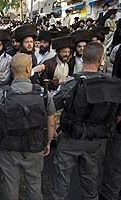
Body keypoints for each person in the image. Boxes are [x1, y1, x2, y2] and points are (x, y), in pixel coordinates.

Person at [52, 42, 121, 200]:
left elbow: (53, 104)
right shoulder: (110, 84)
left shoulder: (73, 83)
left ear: (82, 58)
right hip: (96, 140)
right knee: (90, 181)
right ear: (101, 59)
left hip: (71, 139)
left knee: (61, 183)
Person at [0, 53, 56, 200]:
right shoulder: (43, 94)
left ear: (11, 70)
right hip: (35, 146)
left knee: (10, 186)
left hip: (9, 148)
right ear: (29, 68)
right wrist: (48, 142)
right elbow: (51, 122)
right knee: (34, 184)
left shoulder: (1, 96)